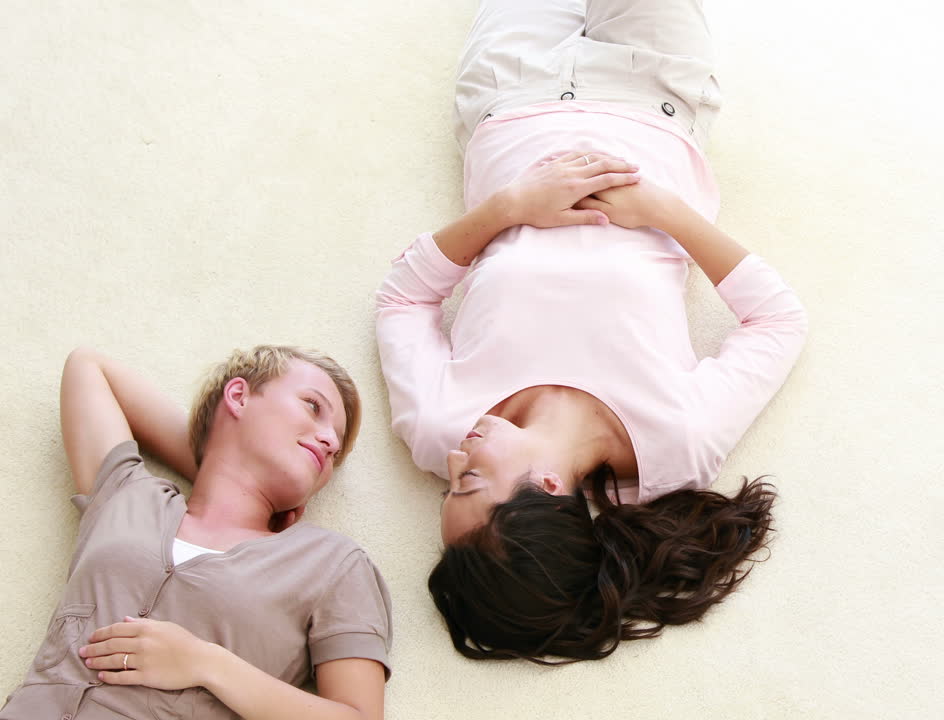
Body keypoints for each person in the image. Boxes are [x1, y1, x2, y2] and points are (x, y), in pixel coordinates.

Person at [376, 0, 806, 662]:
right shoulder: (675, 441)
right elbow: (778, 321)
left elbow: (402, 300)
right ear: (549, 487)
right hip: (655, 99)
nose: (454, 461)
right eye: (470, 482)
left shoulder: (440, 427)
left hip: (509, 94)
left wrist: (509, 207)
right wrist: (665, 212)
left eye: (448, 483)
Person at [1, 346, 392, 718]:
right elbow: (88, 367)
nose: (330, 442)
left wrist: (206, 663)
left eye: (336, 449)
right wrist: (220, 461)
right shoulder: (126, 495)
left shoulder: (332, 564)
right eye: (313, 406)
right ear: (238, 396)